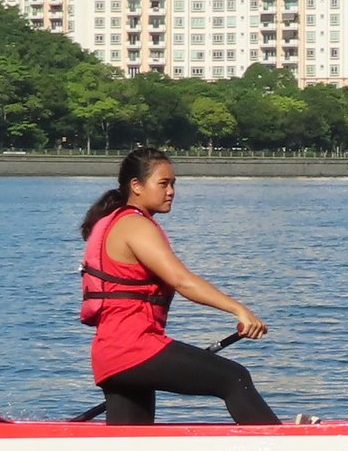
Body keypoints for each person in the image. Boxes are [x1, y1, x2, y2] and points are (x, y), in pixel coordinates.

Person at [79, 146, 282, 426]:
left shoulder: (115, 222)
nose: (171, 191)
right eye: (163, 183)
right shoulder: (134, 226)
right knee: (234, 379)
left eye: (173, 183)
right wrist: (239, 310)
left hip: (111, 356)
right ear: (135, 186)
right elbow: (183, 281)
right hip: (135, 348)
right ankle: (277, 449)